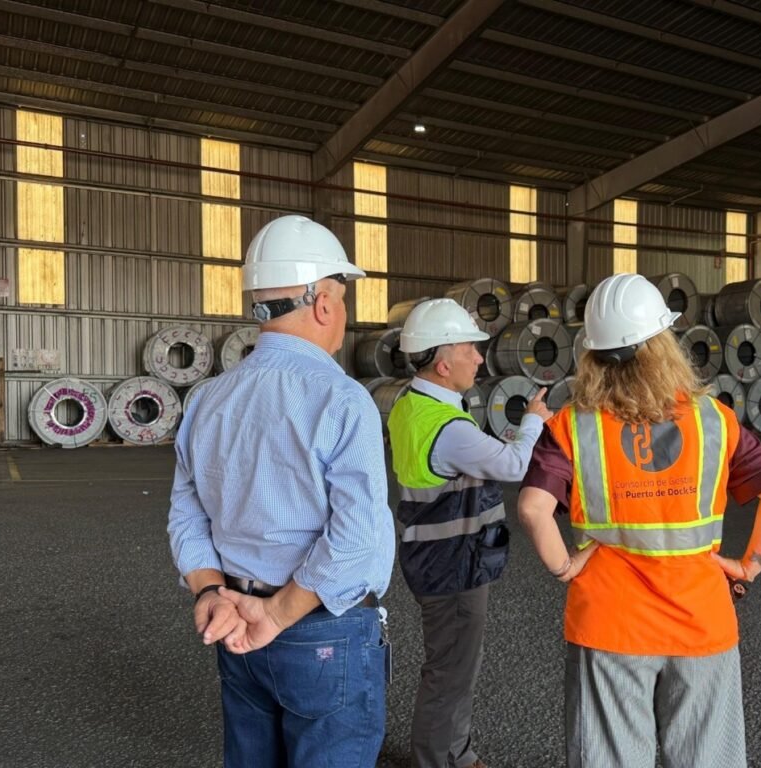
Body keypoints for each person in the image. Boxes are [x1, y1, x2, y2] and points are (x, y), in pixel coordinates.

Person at [517, 273, 761, 768]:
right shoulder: (714, 420)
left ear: (593, 354)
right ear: (664, 344)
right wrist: (748, 566)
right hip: (701, 622)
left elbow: (532, 508)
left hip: (610, 623)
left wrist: (565, 568)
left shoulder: (571, 426)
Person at [167, 214, 395, 768]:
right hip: (320, 632)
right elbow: (355, 537)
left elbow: (187, 515)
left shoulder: (207, 399)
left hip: (234, 624)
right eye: (342, 300)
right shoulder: (341, 399)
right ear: (323, 304)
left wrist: (209, 593)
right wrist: (276, 615)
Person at [387, 298, 552, 768]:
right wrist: (533, 421)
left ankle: (455, 753)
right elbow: (513, 465)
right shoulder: (449, 428)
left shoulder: (409, 404)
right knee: (450, 672)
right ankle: (437, 759)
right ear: (443, 364)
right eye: (469, 350)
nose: (480, 359)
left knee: (453, 664)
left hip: (431, 556)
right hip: (453, 565)